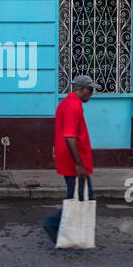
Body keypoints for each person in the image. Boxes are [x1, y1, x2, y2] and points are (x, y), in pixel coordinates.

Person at [44, 75, 101, 243]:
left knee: (78, 195)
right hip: (73, 161)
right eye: (90, 90)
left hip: (72, 160)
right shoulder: (72, 106)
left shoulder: (69, 103)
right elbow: (69, 137)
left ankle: (65, 227)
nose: (91, 93)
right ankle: (54, 224)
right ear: (80, 89)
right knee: (82, 196)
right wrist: (79, 164)